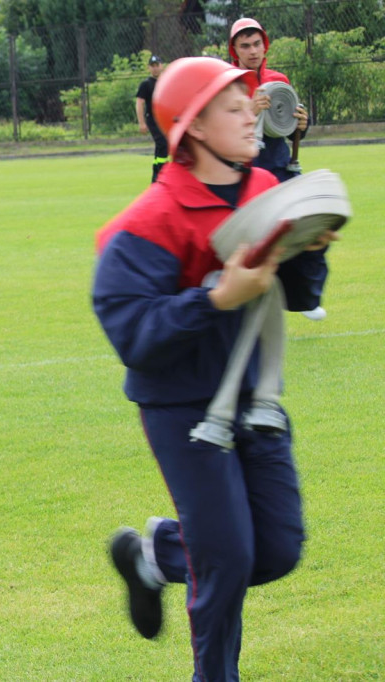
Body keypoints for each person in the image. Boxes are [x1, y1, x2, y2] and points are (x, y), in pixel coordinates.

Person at [93, 57, 337, 682]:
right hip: (181, 407)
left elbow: (303, 296)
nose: (251, 114)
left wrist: (309, 250)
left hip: (253, 398)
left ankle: (154, 555)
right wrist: (216, 298)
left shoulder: (266, 191)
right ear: (194, 127)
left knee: (277, 549)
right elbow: (135, 336)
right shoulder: (148, 221)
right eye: (233, 107)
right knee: (225, 558)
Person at [229, 17, 325, 321]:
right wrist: (249, 112)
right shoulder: (229, 82)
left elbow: (288, 126)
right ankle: (250, 303)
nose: (253, 51)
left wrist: (302, 126)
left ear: (264, 44)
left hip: (281, 165)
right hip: (245, 171)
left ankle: (307, 298)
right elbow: (223, 131)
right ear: (235, 49)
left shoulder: (278, 79)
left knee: (308, 228)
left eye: (257, 44)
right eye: (245, 45)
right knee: (254, 240)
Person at [135, 54, 168, 183]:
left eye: (157, 65)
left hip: (165, 118)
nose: (155, 68)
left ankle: (157, 177)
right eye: (152, 66)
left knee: (162, 147)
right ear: (149, 68)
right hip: (153, 119)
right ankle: (161, 174)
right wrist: (141, 123)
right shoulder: (146, 84)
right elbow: (139, 103)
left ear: (162, 66)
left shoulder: (166, 81)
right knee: (163, 144)